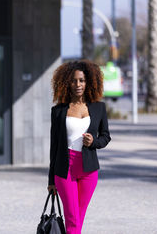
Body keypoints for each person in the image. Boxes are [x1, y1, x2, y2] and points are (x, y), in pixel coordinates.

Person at [47, 60, 111, 234]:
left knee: (78, 218)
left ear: (88, 82)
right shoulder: (58, 111)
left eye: (81, 80)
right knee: (73, 218)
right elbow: (54, 147)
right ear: (67, 82)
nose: (78, 84)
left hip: (89, 171)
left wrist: (94, 142)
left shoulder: (99, 108)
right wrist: (51, 179)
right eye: (74, 80)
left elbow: (106, 136)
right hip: (64, 170)